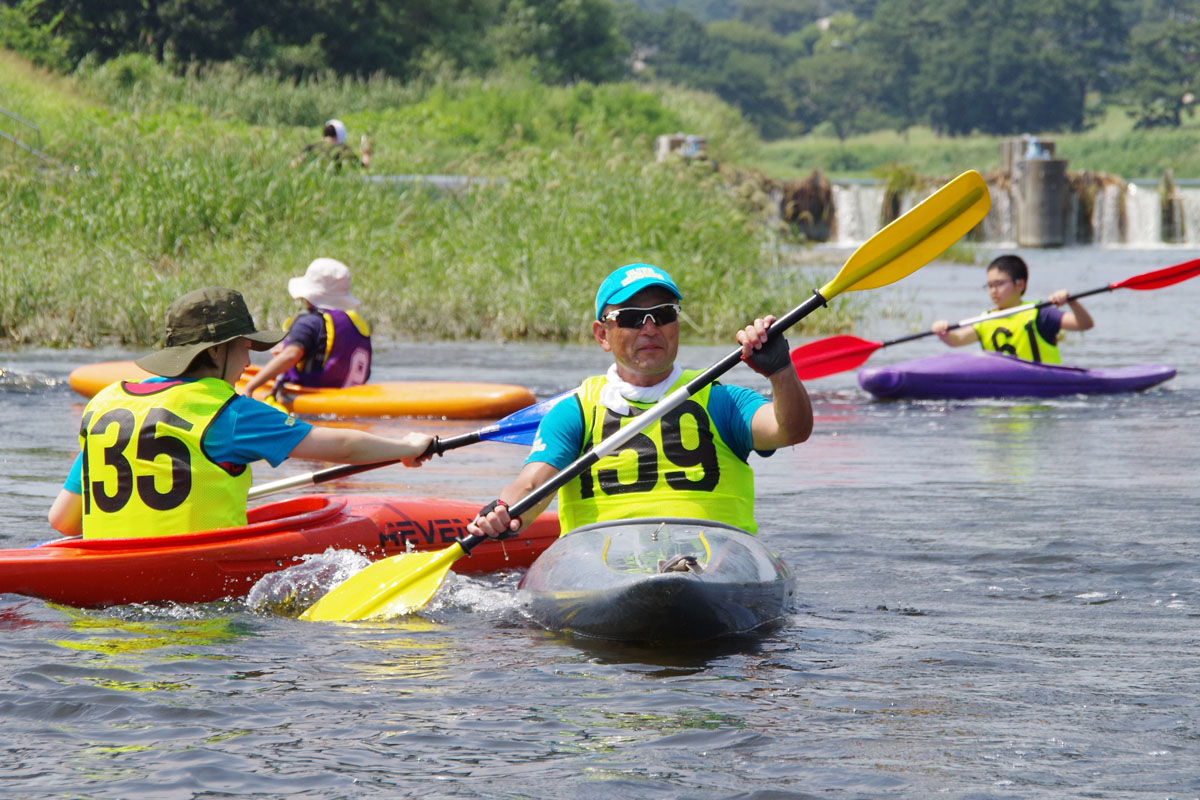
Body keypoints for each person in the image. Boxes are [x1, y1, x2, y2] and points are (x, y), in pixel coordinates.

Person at [48, 287, 431, 539]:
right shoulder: (229, 412)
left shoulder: (105, 403)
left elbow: (63, 521)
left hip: (104, 613)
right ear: (216, 351)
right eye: (246, 347)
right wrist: (406, 446)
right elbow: (343, 446)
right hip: (197, 596)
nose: (249, 359)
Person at [467, 263, 813, 540]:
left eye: (663, 314)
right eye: (632, 318)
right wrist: (503, 512)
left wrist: (780, 371)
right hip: (602, 571)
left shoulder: (723, 400)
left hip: (713, 567)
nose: (650, 328)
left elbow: (790, 430)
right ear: (602, 335)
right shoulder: (574, 412)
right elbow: (531, 485)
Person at [239, 258, 371, 399]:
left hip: (310, 397)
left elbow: (291, 355)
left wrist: (251, 387)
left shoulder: (310, 321)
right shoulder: (353, 323)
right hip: (348, 395)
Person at [931, 254, 1094, 363]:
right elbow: (957, 340)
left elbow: (1084, 324)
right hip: (1004, 392)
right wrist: (943, 332)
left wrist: (1072, 302)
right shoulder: (985, 320)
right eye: (989, 285)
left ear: (1020, 284)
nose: (993, 291)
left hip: (1042, 387)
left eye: (999, 284)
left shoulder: (1040, 313)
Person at [290, 119, 370, 170]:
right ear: (340, 134)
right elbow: (363, 165)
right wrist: (366, 153)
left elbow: (294, 164)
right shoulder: (342, 149)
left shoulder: (311, 147)